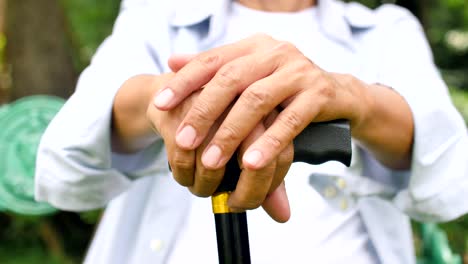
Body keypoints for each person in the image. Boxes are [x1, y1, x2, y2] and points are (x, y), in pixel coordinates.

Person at [34, 0, 468, 263]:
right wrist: (169, 99)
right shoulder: (156, 16)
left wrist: (354, 99)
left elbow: (451, 176)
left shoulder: (386, 31)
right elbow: (62, 168)